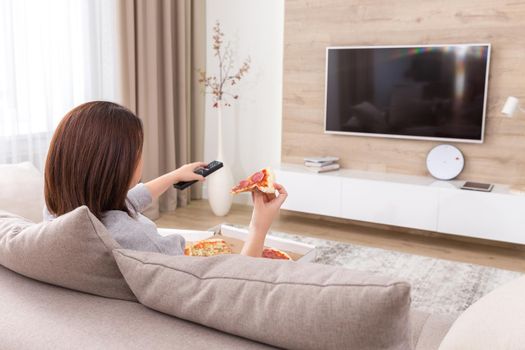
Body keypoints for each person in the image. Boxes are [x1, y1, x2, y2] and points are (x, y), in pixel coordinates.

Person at [43, 101, 287, 257]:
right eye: (138, 151)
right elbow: (232, 288)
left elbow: (124, 203)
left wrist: (174, 176)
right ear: (117, 167)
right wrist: (258, 227)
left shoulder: (58, 213)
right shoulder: (141, 240)